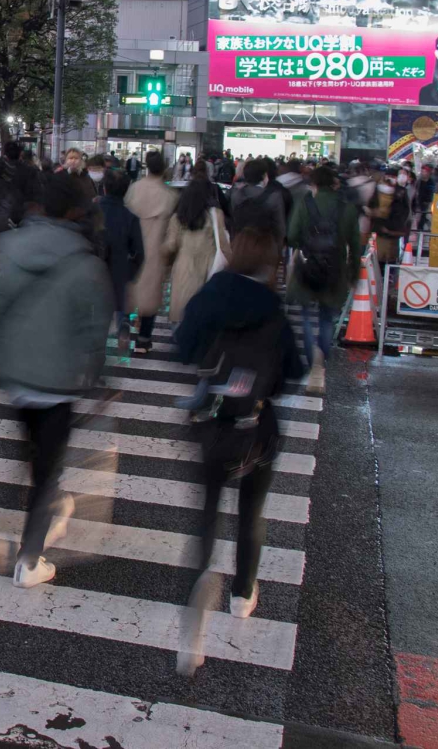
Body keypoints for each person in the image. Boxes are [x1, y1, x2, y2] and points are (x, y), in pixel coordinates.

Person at [173, 224, 306, 677]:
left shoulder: (212, 295)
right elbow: (293, 374)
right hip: (256, 425)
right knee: (251, 512)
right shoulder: (272, 307)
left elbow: (183, 347)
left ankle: (197, 587)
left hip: (212, 421)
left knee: (207, 511)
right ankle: (243, 593)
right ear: (269, 262)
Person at [0, 173, 113, 588]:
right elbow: (94, 334)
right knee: (47, 473)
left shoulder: (8, 248)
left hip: (16, 372)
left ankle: (33, 519)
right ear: (77, 212)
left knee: (32, 458)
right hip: (58, 382)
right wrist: (96, 380)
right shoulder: (87, 263)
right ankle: (28, 559)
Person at [287, 165, 360, 391]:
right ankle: (321, 359)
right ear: (334, 184)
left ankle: (312, 363)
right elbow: (355, 246)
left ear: (314, 184)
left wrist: (305, 246)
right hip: (334, 270)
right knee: (327, 318)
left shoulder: (305, 203)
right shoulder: (347, 208)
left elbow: (291, 236)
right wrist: (353, 274)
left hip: (308, 268)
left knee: (308, 317)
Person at [124, 152, 178, 354]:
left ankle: (125, 334)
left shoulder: (134, 189)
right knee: (151, 295)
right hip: (156, 251)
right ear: (164, 168)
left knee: (131, 291)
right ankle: (144, 339)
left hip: (133, 250)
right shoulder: (170, 196)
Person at [165, 176, 231, 326]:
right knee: (204, 317)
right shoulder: (215, 214)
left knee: (182, 316)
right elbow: (224, 245)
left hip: (184, 270)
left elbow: (170, 246)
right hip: (208, 270)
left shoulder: (178, 217)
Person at [96, 171, 144, 345]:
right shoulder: (130, 217)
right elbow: (139, 253)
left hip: (92, 269)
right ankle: (123, 329)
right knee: (119, 303)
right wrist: (129, 273)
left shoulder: (92, 212)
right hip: (118, 269)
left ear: (105, 188)